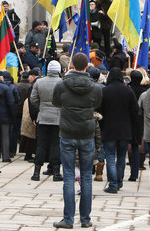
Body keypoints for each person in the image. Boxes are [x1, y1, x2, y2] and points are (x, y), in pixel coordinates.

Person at [51, 52, 102, 229]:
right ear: (87, 67)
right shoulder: (95, 87)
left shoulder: (62, 85)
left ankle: (68, 219)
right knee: (87, 176)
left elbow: (56, 102)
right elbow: (97, 103)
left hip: (67, 131)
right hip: (86, 132)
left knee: (69, 176)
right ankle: (85, 219)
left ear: (72, 66)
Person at [98, 67, 139, 194]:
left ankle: (113, 184)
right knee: (121, 157)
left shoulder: (105, 91)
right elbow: (135, 110)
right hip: (124, 129)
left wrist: (102, 123)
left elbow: (99, 110)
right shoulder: (128, 91)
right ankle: (119, 181)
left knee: (110, 156)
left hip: (109, 129)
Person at [30, 60, 63, 181]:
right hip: (57, 118)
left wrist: (42, 107)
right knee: (56, 145)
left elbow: (33, 98)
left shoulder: (39, 82)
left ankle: (36, 172)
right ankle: (56, 172)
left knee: (41, 144)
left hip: (43, 117)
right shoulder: (62, 83)